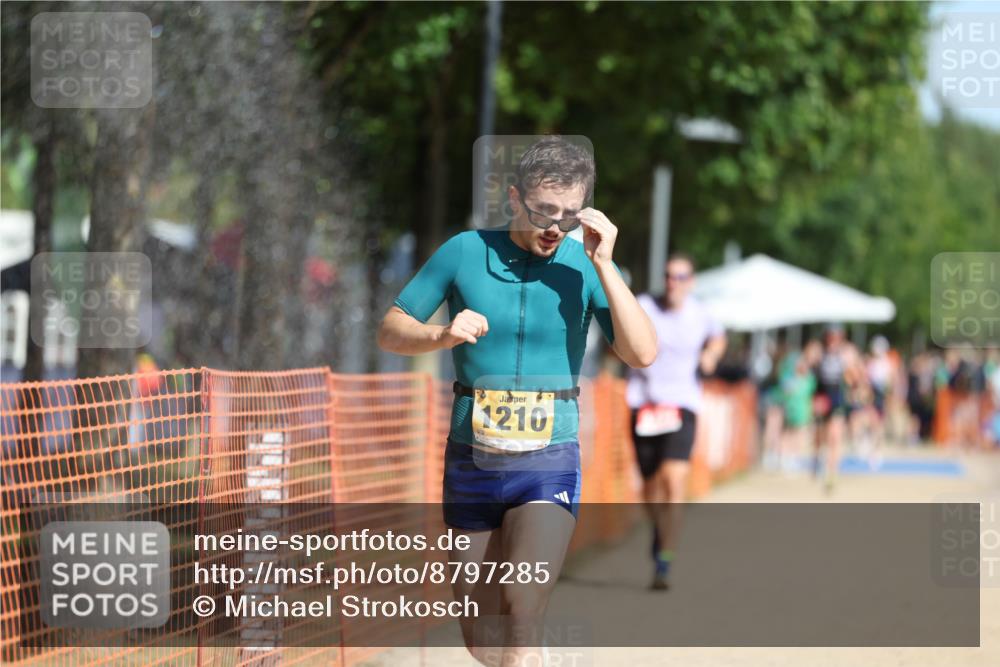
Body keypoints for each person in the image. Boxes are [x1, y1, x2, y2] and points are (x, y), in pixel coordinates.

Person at [377, 136, 656, 665]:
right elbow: (391, 329)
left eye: (570, 216)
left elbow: (641, 353)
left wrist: (605, 265)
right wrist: (441, 335)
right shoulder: (464, 251)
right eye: (544, 212)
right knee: (484, 640)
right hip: (472, 459)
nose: (555, 227)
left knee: (522, 604)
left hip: (549, 460)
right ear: (513, 199)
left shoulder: (584, 265)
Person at [625, 252, 726, 590]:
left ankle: (665, 562)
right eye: (669, 276)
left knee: (674, 482)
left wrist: (711, 354)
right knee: (650, 488)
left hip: (682, 404)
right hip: (644, 405)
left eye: (681, 277)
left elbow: (718, 335)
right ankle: (659, 531)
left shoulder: (702, 313)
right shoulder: (644, 305)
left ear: (692, 281)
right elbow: (621, 331)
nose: (674, 283)